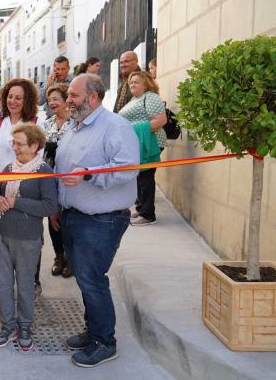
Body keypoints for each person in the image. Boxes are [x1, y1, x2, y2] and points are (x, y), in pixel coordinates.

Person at [56, 73, 139, 367]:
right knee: (84, 278)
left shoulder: (115, 126)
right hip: (74, 216)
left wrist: (89, 173)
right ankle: (94, 331)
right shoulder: (74, 126)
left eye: (74, 96)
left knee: (92, 280)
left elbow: (127, 169)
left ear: (93, 97)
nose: (68, 100)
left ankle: (105, 342)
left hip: (102, 220)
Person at [0, 124, 58, 350]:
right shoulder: (8, 168)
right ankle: (8, 325)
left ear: (35, 145)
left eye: (20, 144)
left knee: (26, 285)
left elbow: (49, 206)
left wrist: (17, 202)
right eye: (14, 143)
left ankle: (25, 325)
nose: (15, 147)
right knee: (3, 283)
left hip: (27, 238)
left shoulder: (44, 171)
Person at [0, 78, 46, 293]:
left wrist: (17, 182)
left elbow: (38, 157)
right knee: (3, 238)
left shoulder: (37, 123)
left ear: (26, 99)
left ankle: (31, 284)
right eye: (10, 96)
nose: (13, 101)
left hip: (26, 189)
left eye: (18, 97)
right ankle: (4, 286)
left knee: (28, 237)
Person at [119, 71, 167, 227]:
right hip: (138, 143)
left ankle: (148, 214)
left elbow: (161, 121)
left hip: (149, 142)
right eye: (131, 82)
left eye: (136, 82)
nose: (132, 84)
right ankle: (141, 209)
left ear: (146, 84)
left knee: (145, 178)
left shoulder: (151, 97)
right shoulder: (135, 99)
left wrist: (135, 130)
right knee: (139, 177)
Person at [42, 84, 75, 278]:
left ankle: (71, 258)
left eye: (56, 98)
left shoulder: (76, 123)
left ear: (65, 100)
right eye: (49, 99)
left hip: (70, 176)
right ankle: (59, 256)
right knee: (52, 217)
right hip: (51, 176)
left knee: (68, 219)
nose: (52, 102)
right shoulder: (46, 123)